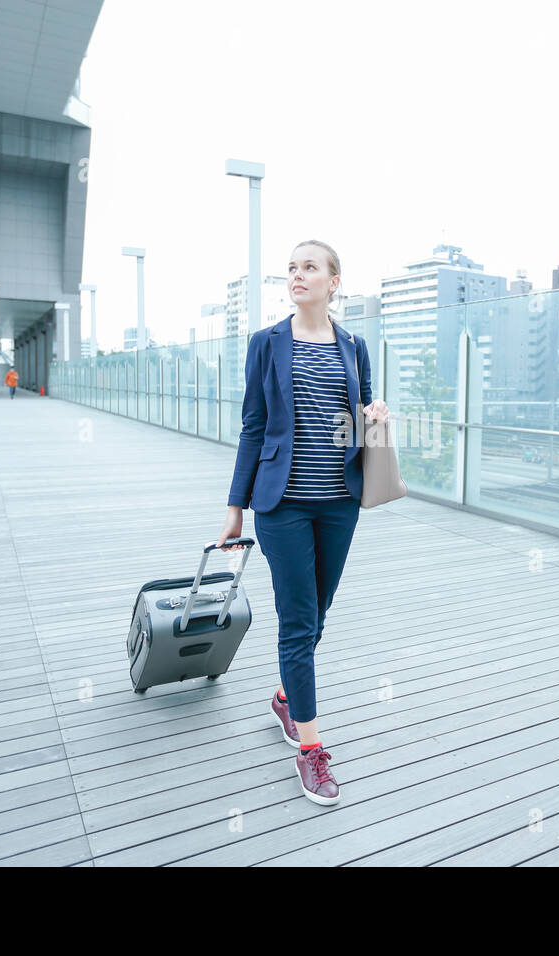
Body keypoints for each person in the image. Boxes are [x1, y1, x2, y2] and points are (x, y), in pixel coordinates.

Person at [218, 239, 389, 807]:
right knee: (297, 622)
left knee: (317, 615)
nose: (297, 276)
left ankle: (286, 698)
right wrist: (235, 504)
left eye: (309, 267)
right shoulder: (266, 344)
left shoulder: (354, 345)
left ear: (333, 280)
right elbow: (252, 426)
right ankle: (311, 752)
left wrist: (376, 417)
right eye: (291, 269)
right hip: (282, 505)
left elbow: (358, 416)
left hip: (340, 501)